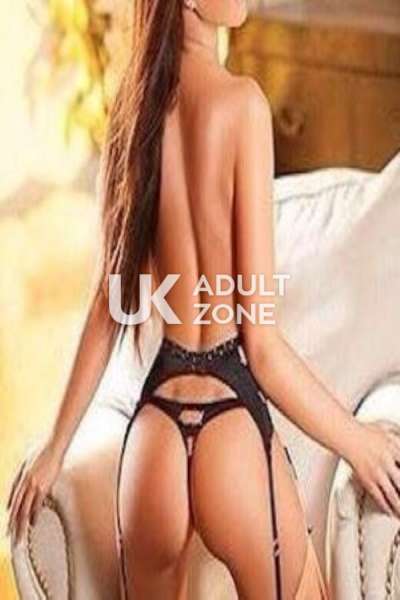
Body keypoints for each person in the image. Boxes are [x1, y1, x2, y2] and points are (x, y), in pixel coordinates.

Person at [7, 1, 400, 598]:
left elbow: (107, 309)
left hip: (154, 439)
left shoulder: (130, 117)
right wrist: (356, 441)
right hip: (229, 425)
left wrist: (53, 447)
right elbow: (262, 348)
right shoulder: (242, 106)